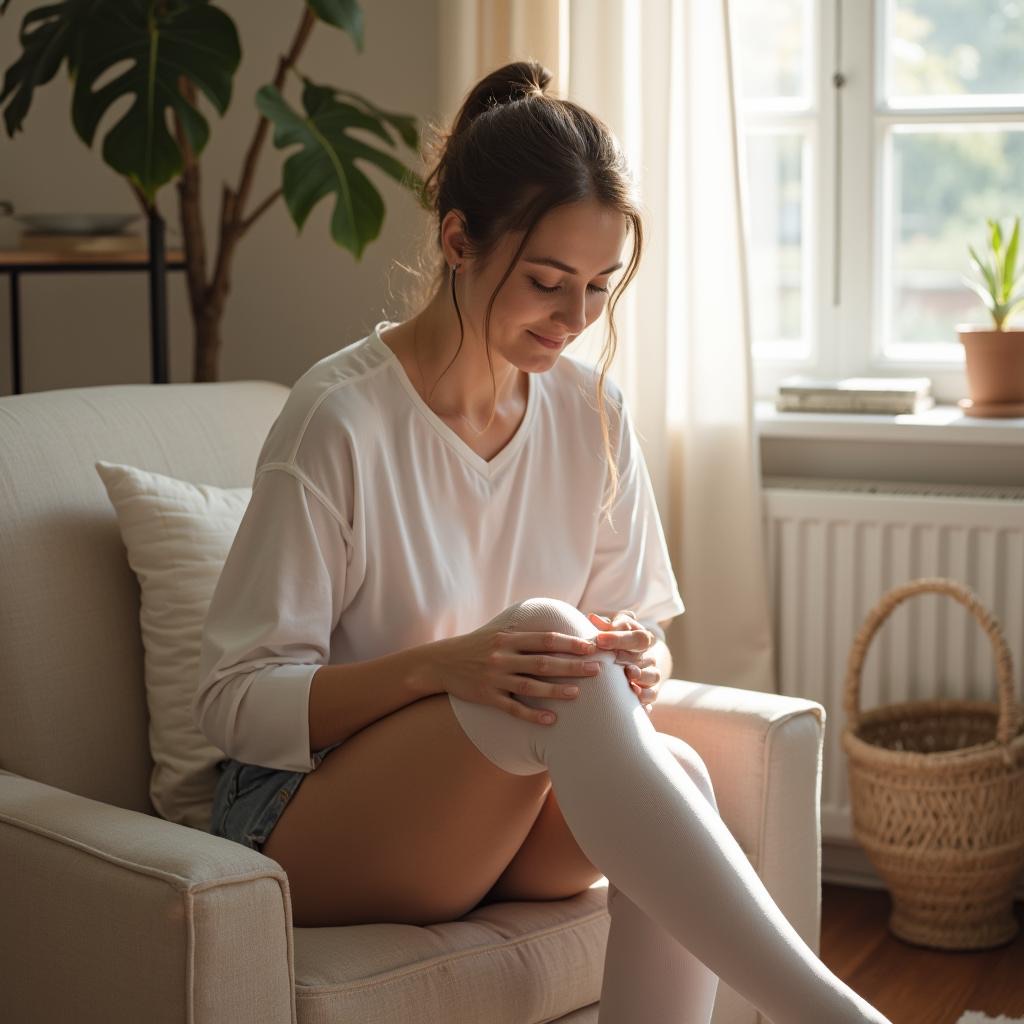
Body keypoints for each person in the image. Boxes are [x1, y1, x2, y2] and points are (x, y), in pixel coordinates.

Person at [193, 60, 893, 1024]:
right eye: (547, 282)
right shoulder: (341, 418)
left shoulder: (592, 412)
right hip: (309, 820)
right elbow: (232, 702)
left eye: (600, 287)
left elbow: (634, 636)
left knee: (669, 756)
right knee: (542, 635)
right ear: (457, 241)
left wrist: (638, 656)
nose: (574, 320)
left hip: (499, 819)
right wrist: (454, 667)